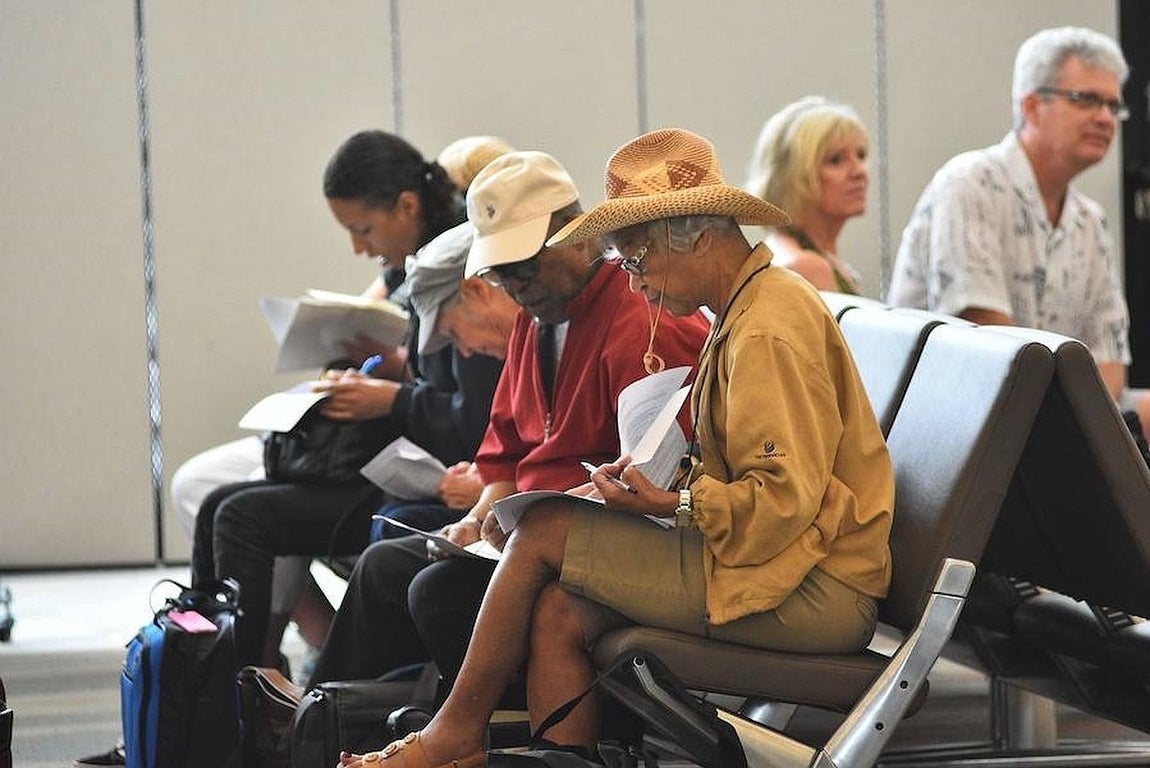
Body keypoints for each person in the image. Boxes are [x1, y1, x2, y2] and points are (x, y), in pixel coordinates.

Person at [340, 128, 894, 768]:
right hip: (782, 562)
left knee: (543, 527)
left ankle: (454, 734)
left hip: (812, 586)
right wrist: (657, 492)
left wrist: (675, 499)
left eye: (636, 259)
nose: (632, 282)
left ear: (696, 236)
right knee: (559, 609)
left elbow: (782, 501)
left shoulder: (766, 326)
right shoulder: (746, 307)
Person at [306, 150, 711, 690]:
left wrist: (529, 521)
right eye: (503, 274)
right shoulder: (541, 316)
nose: (518, 286)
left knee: (437, 592)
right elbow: (506, 452)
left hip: (595, 538)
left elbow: (660, 477)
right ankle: (330, 715)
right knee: (384, 567)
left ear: (581, 236)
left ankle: (462, 728)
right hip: (533, 531)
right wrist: (477, 519)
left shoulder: (643, 320)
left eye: (525, 266)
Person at [190, 131, 508, 671]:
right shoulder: (424, 268)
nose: (360, 247)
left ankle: (247, 696)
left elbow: (476, 423)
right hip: (406, 460)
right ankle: (206, 695)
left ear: (408, 205)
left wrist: (392, 400)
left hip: (420, 466)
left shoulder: (468, 279)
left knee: (242, 515)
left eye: (364, 229)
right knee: (220, 506)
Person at [886, 27, 1149, 432]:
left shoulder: (1091, 220)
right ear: (1031, 105)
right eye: (1086, 99)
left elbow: (1110, 361)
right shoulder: (970, 183)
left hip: (1056, 411)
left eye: (1113, 106)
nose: (1105, 118)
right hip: (959, 415)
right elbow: (994, 347)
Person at [745, 96, 869, 294]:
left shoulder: (800, 253)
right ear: (794, 175)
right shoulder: (806, 267)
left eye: (861, 155)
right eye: (836, 160)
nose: (859, 171)